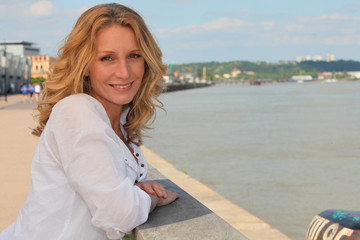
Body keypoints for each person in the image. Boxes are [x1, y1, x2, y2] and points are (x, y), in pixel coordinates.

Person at [0, 3, 178, 240]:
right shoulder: (78, 111)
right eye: (107, 58)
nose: (124, 72)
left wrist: (132, 192)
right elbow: (120, 216)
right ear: (85, 66)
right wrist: (153, 197)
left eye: (134, 55)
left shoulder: (117, 119)